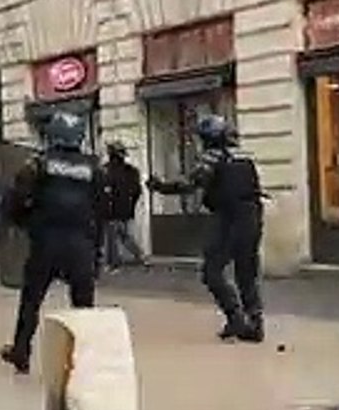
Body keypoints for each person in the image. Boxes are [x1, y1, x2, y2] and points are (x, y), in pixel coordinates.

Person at [0, 112, 106, 374]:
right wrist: (97, 248)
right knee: (83, 305)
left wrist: (26, 223)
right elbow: (102, 209)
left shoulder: (38, 164)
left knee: (31, 300)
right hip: (81, 243)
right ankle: (84, 359)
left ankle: (21, 351)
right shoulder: (93, 167)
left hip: (46, 242)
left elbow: (15, 200)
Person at [147, 115, 266, 342]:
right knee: (246, 271)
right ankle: (255, 321)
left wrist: (160, 186)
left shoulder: (212, 156)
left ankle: (235, 316)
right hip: (252, 214)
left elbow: (190, 184)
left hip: (228, 217)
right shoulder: (243, 155)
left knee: (212, 271)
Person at [102, 142, 146, 270]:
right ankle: (139, 255)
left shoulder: (106, 170)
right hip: (126, 209)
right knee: (125, 235)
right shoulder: (132, 171)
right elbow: (137, 191)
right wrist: (131, 205)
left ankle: (113, 263)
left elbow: (103, 191)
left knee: (113, 237)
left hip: (112, 210)